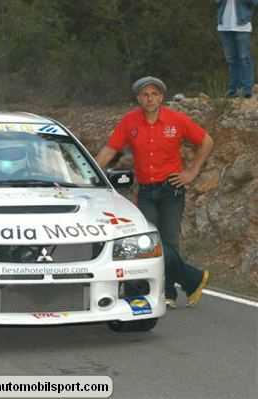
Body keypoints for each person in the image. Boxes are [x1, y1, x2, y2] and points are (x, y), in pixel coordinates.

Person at [95, 76, 213, 307]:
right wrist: (87, 175)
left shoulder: (176, 120)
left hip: (172, 189)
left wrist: (192, 172)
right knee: (152, 242)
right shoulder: (130, 122)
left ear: (162, 97)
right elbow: (109, 151)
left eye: (155, 94)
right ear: (138, 98)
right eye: (145, 95)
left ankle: (168, 293)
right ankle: (194, 278)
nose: (150, 99)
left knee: (169, 240)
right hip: (147, 190)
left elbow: (206, 141)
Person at [216, 0, 258, 98]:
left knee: (244, 58)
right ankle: (233, 89)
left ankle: (247, 89)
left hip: (242, 25)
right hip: (224, 26)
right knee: (231, 59)